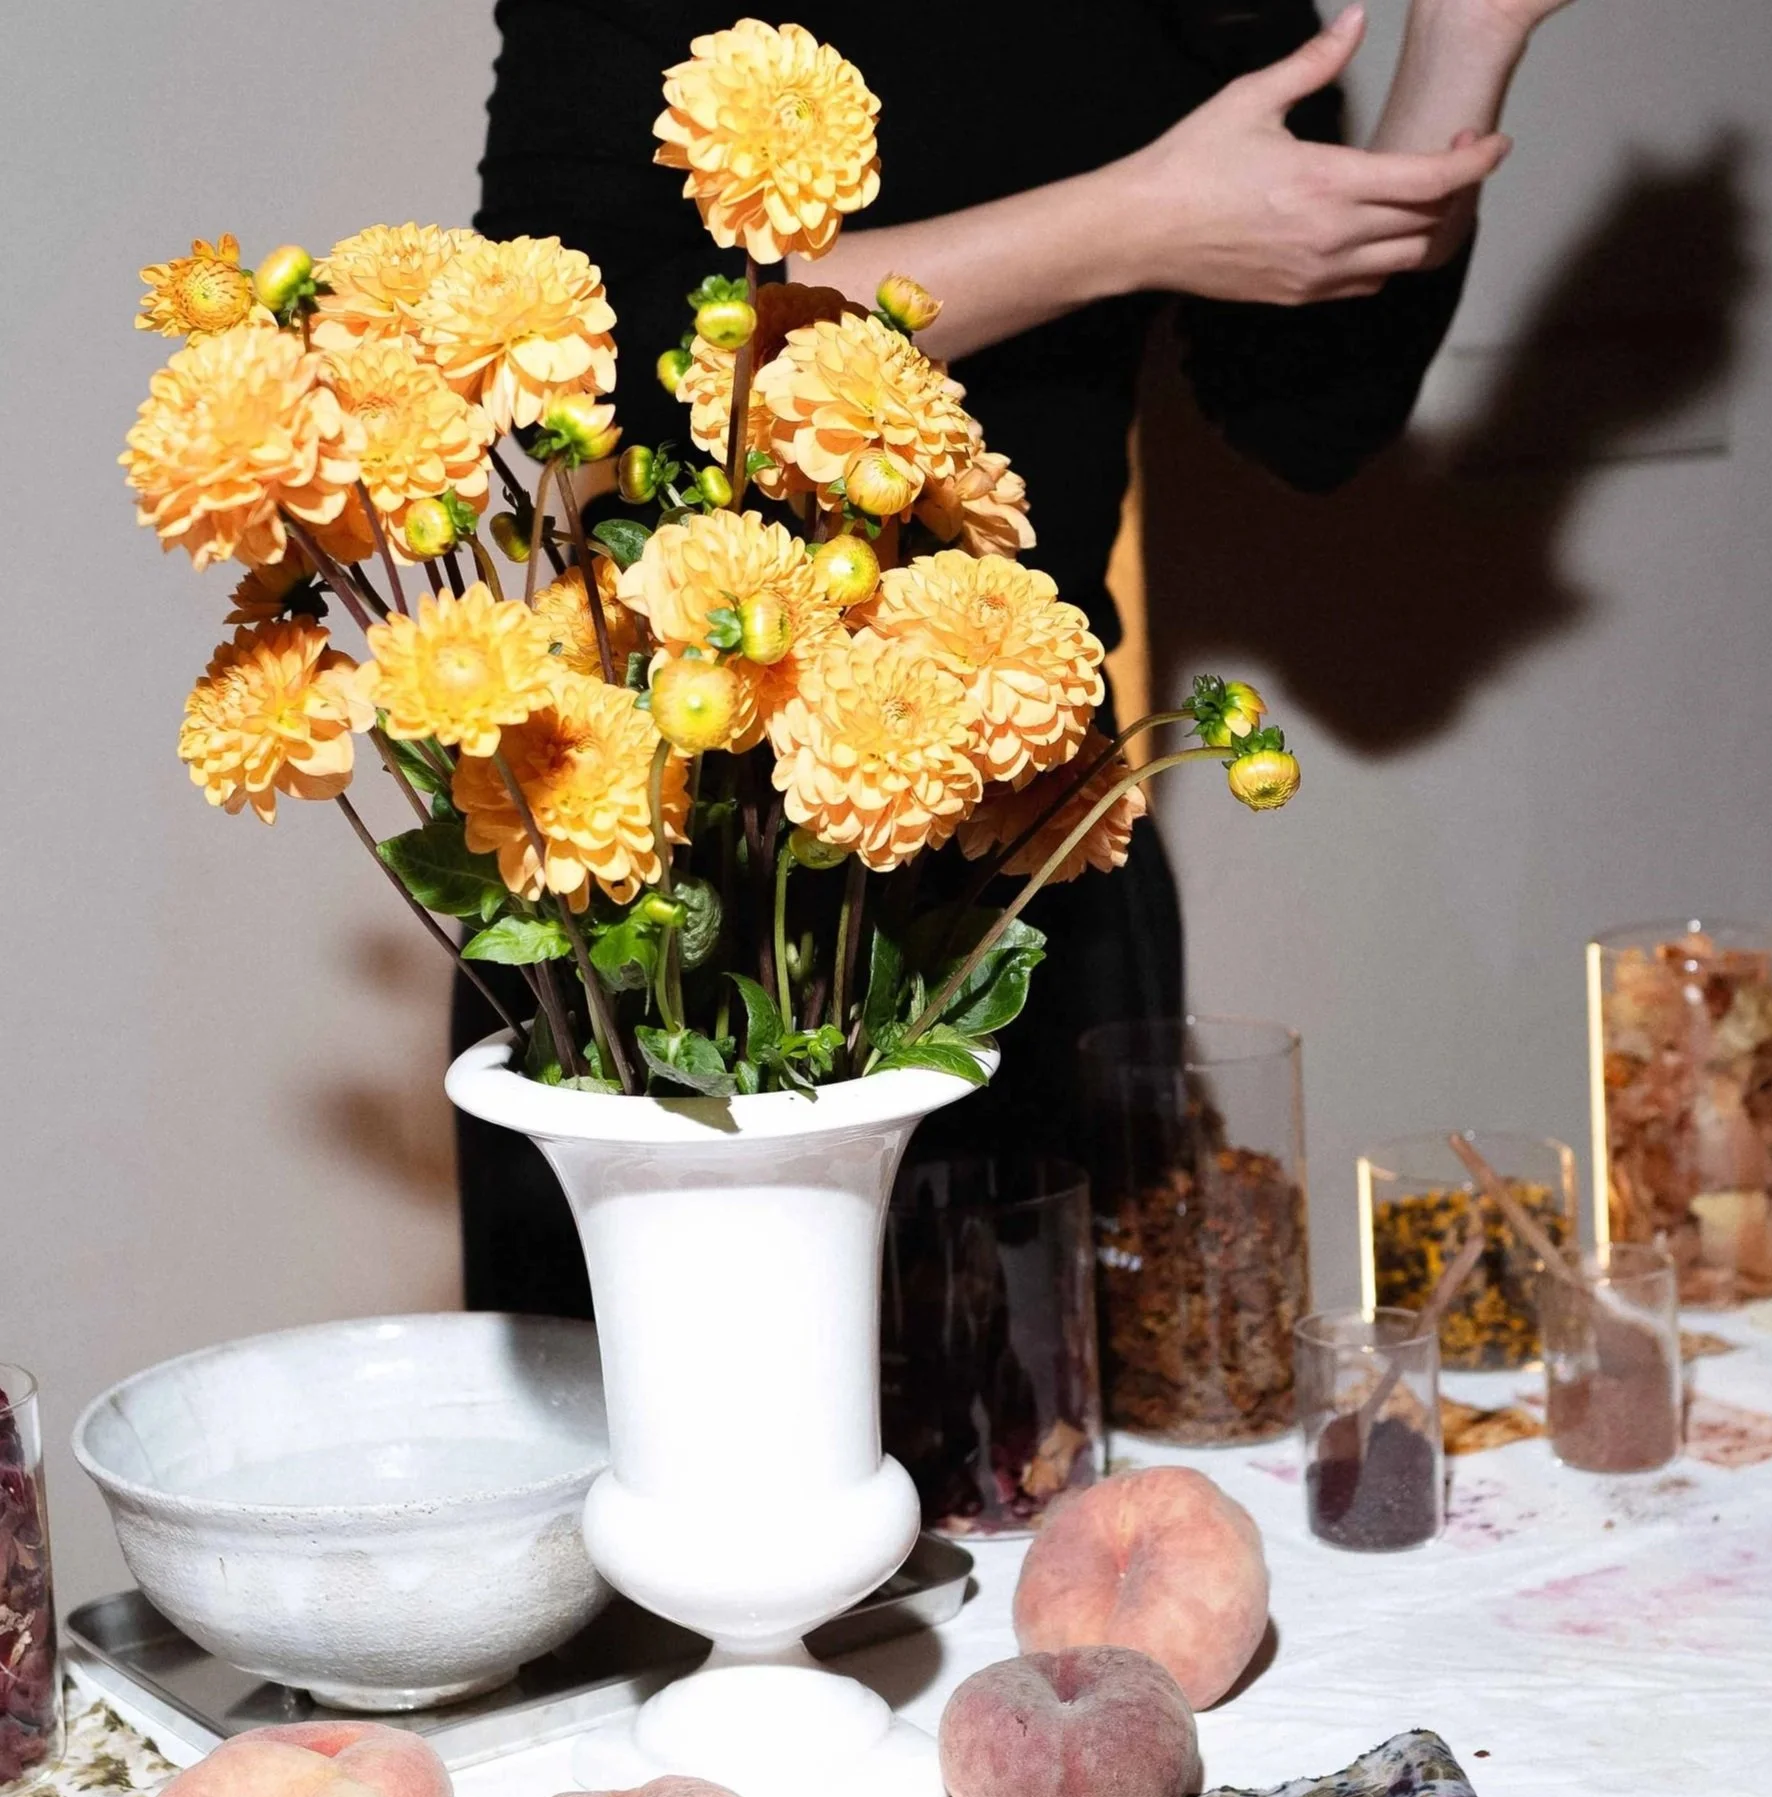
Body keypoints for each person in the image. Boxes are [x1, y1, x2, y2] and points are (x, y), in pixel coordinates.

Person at [461, 0, 1574, 1312]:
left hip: (1032, 834)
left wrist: (1463, 36)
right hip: (672, 875)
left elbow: (1310, 409)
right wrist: (1124, 226)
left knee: (1059, 1466)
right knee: (673, 1477)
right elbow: (579, 355)